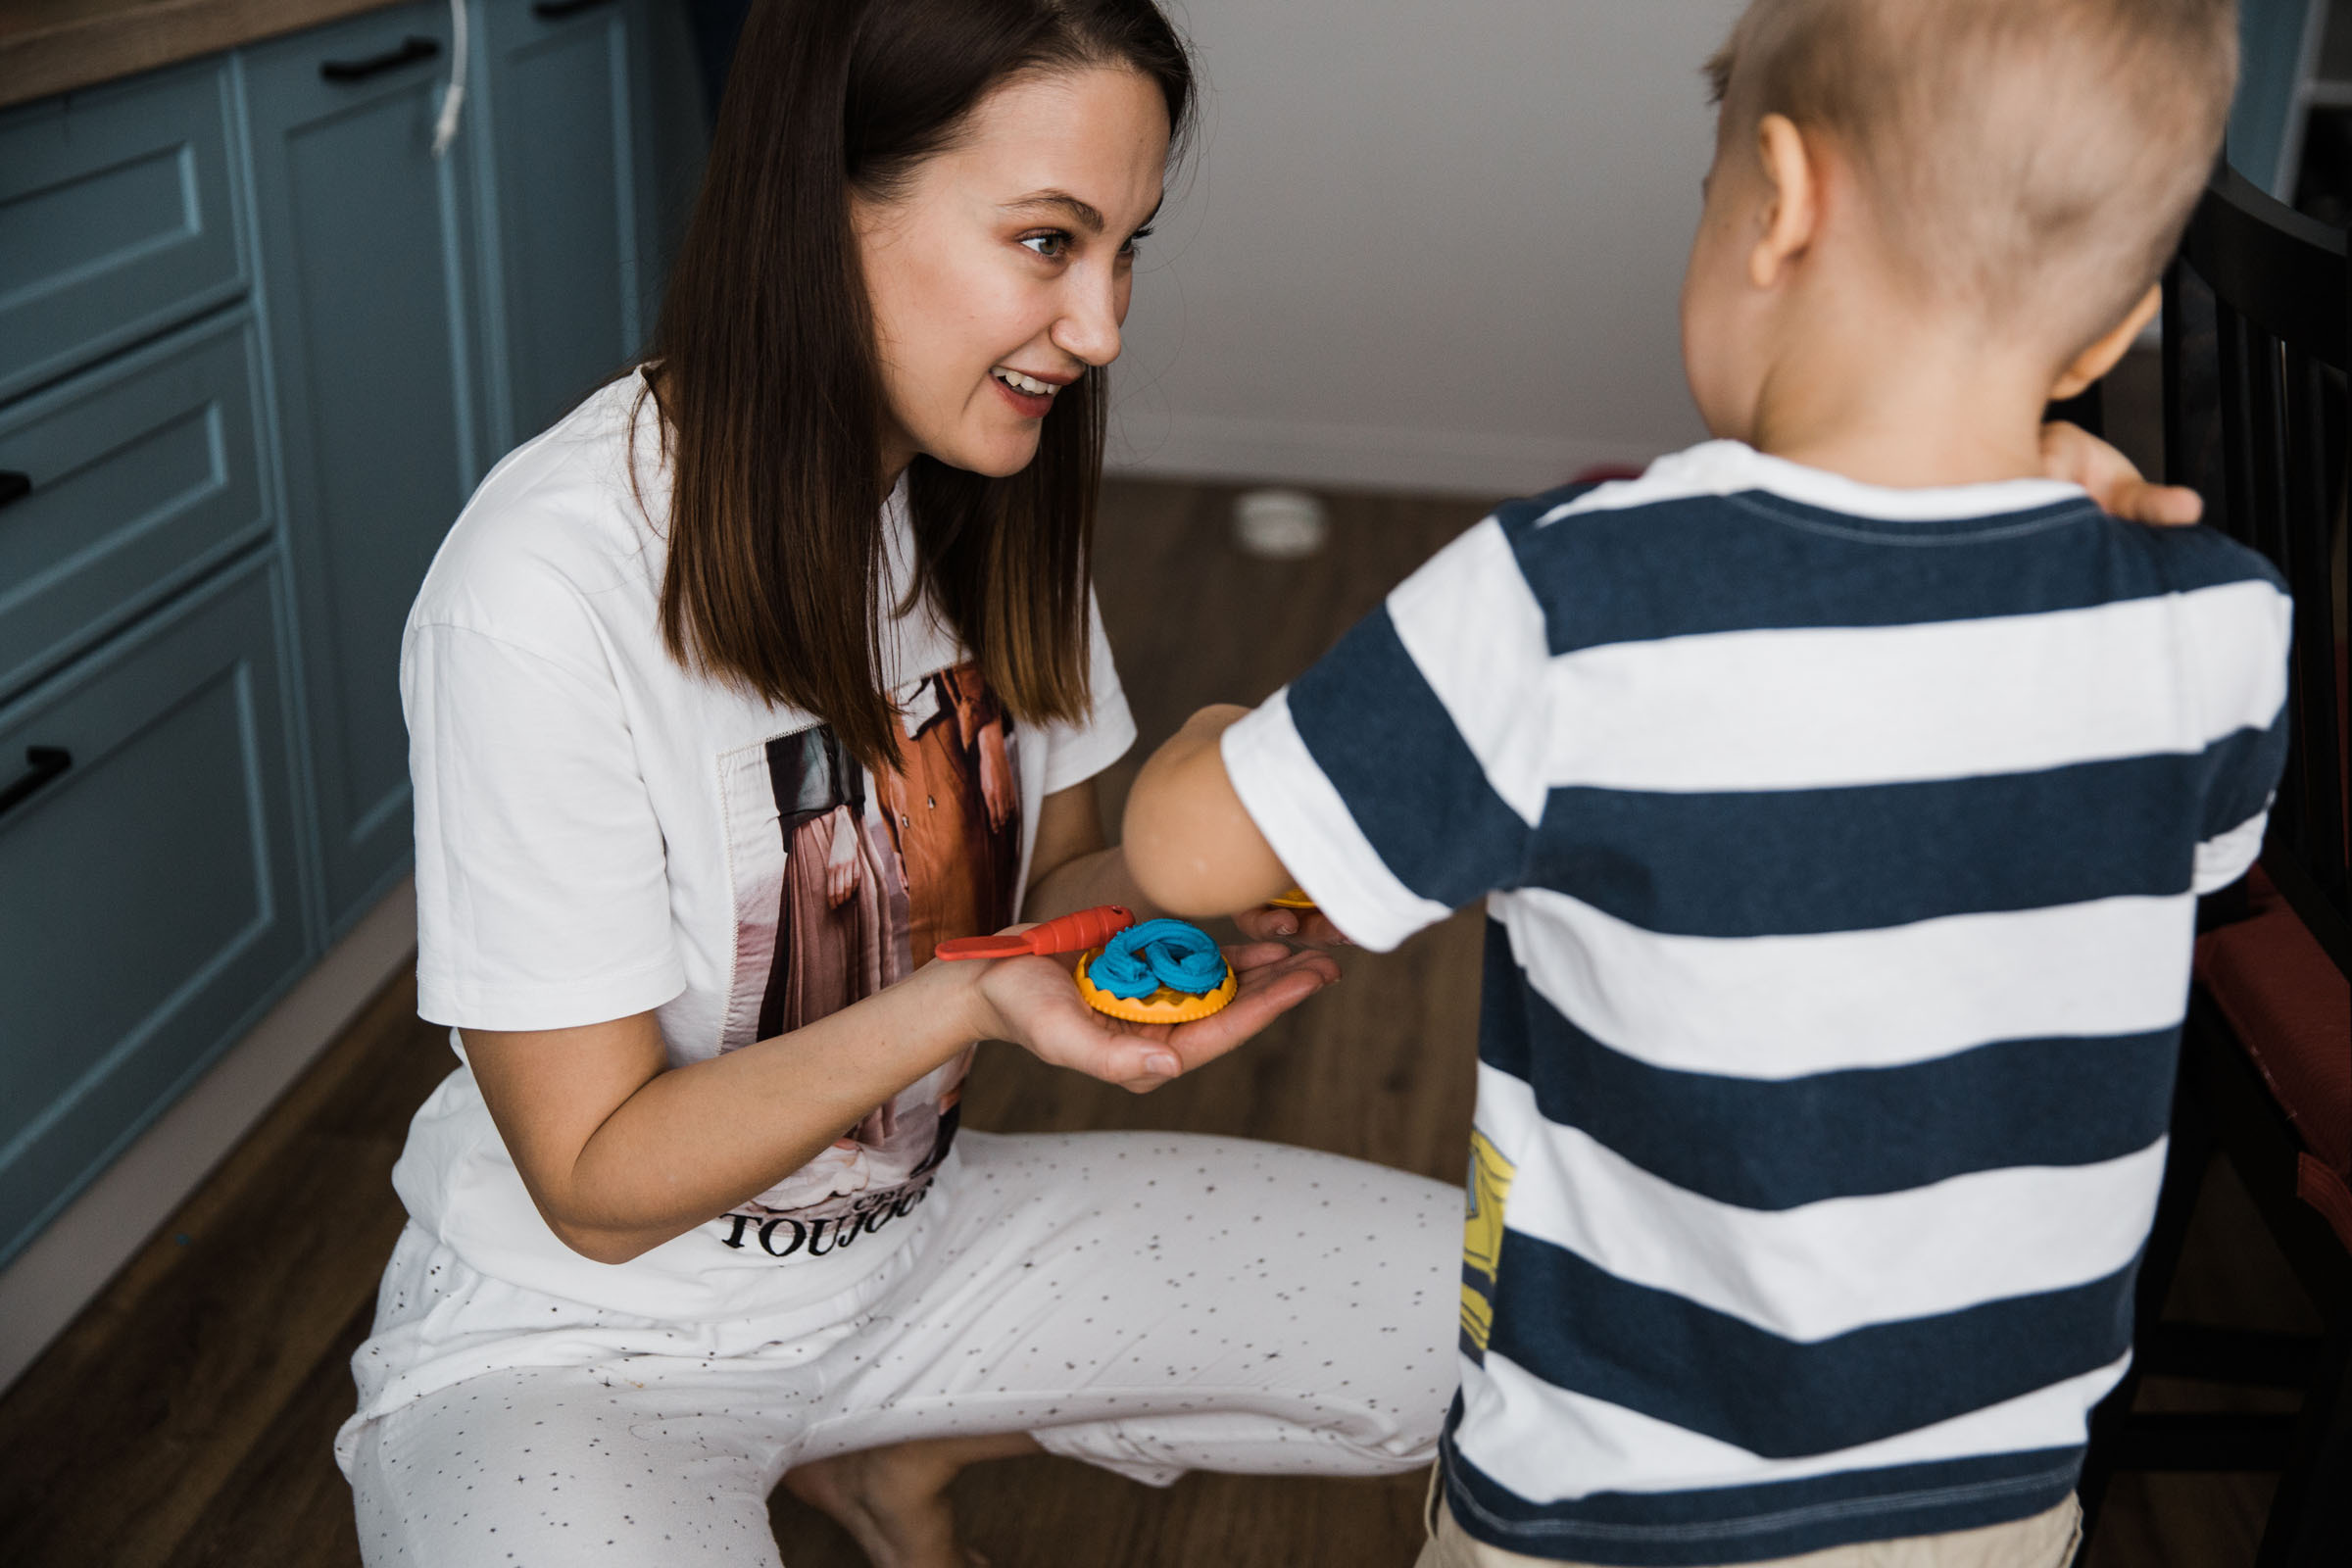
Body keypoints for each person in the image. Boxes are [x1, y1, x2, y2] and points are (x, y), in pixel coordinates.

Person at [1118, 2, 2286, 1565]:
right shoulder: (2215, 620)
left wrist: (1221, 728)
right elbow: (2141, 856)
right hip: (1989, 1500)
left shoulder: (1573, 604)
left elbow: (1190, 860)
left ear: (1781, 203)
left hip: (1617, 1493)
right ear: (2112, 328)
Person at [331, 4, 1470, 1565]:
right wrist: (970, 1000)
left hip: (914, 1253)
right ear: (823, 206)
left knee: (1530, 1318)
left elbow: (1059, 883)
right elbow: (596, 1181)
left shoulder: (979, 485)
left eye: (1126, 247)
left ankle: (889, 1450)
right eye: (1049, 241)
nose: (1104, 327)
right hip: (580, 1338)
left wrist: (1241, 831)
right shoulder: (548, 585)